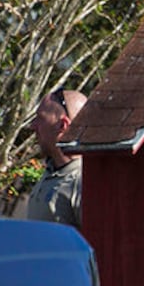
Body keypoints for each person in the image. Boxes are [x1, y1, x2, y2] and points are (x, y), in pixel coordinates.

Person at [27, 88, 87, 226]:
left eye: (40, 119)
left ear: (62, 125)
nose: (32, 126)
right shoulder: (50, 173)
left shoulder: (83, 182)